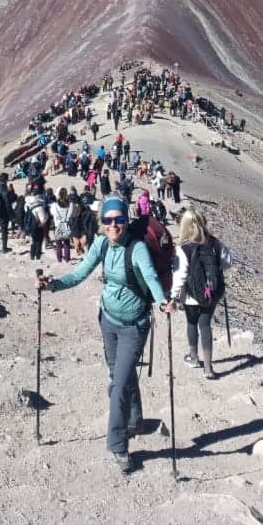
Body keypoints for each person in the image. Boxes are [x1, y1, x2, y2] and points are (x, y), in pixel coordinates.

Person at [38, 195, 172, 473]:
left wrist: (162, 301)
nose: (113, 225)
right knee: (120, 376)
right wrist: (53, 285)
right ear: (102, 223)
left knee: (119, 385)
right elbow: (79, 273)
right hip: (108, 321)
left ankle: (118, 444)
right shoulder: (100, 244)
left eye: (119, 220)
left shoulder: (136, 249)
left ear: (125, 220)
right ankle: (135, 419)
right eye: (108, 220)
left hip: (134, 326)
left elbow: (150, 277)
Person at [171, 208, 230, 379]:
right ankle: (208, 368)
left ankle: (194, 357)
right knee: (205, 325)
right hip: (210, 293)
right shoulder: (215, 243)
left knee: (191, 323)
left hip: (190, 295)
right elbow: (228, 262)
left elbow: (180, 275)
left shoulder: (184, 248)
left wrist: (174, 297)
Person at [50, 187, 73, 263]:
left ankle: (59, 259)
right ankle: (67, 258)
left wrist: (59, 220)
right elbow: (70, 214)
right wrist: (65, 220)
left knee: (58, 243)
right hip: (66, 224)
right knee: (66, 243)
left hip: (58, 225)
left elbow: (54, 214)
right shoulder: (70, 204)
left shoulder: (55, 204)